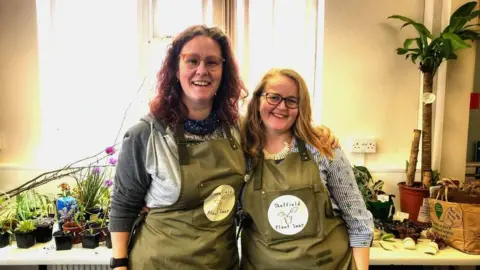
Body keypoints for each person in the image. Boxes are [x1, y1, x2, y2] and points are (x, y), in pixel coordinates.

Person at [108, 25, 248, 270]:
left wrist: (318, 136)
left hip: (220, 264)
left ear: (223, 71)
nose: (202, 70)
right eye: (192, 60)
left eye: (212, 62)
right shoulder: (146, 135)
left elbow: (281, 134)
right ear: (175, 68)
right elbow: (124, 204)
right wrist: (119, 264)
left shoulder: (238, 131)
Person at [239, 68, 374, 270]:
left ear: (301, 107)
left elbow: (359, 223)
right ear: (258, 99)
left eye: (291, 100)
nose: (281, 107)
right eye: (273, 97)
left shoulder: (323, 149)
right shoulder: (239, 152)